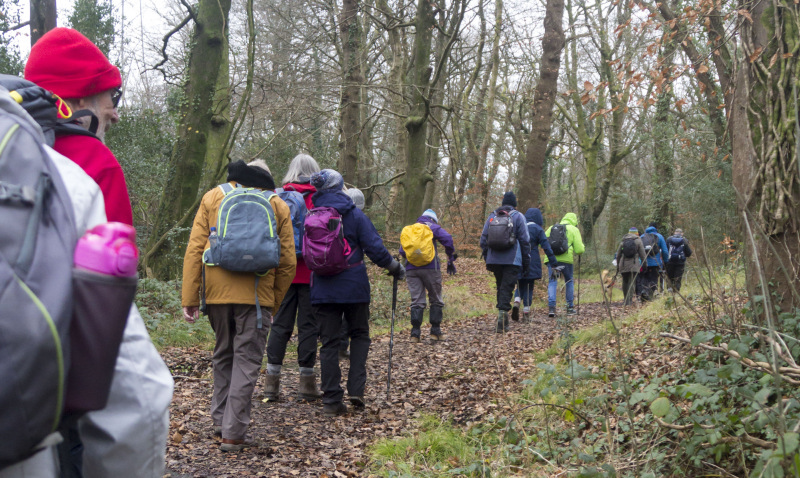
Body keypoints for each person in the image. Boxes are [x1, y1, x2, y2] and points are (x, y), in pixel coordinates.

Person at [24, 28, 173, 477]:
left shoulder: (14, 152)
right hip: (59, 395)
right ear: (77, 100)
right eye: (111, 97)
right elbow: (108, 305)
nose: (115, 111)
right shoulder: (91, 161)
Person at [182, 160, 296, 451]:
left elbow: (196, 248)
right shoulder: (276, 203)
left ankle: (220, 422)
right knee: (246, 361)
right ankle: (233, 434)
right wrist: (274, 301)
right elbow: (287, 262)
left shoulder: (213, 196)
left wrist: (191, 296)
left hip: (216, 292)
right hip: (256, 296)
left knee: (223, 354)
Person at [306, 170, 405, 417]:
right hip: (354, 286)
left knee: (328, 343)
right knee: (360, 335)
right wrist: (395, 267)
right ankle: (356, 390)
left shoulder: (311, 215)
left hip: (322, 287)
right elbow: (375, 248)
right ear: (340, 188)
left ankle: (331, 400)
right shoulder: (355, 215)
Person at [264, 153, 322, 402]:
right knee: (308, 326)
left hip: (282, 270)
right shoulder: (319, 197)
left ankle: (271, 384)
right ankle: (306, 385)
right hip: (311, 271)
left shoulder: (277, 196)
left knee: (280, 326)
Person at [399, 209, 457, 342]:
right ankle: (435, 332)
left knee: (417, 301)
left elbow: (402, 251)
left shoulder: (410, 230)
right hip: (431, 268)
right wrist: (450, 254)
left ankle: (415, 334)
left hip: (411, 269)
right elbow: (448, 238)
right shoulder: (432, 227)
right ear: (433, 219)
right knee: (435, 298)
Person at [480, 192, 531, 333]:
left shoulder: (492, 216)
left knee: (500, 286)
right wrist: (526, 262)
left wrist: (487, 257)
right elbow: (525, 241)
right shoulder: (518, 217)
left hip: (494, 259)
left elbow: (483, 240)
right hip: (512, 259)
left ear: (503, 203)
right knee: (507, 287)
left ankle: (502, 317)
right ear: (514, 204)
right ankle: (502, 318)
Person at [512, 208, 558, 323]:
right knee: (529, 286)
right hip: (532, 261)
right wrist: (553, 262)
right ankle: (526, 311)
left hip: (519, 260)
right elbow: (546, 247)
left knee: (519, 284)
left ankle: (517, 301)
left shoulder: (520, 227)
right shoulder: (538, 229)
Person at [337, 187, 367, 359]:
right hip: (352, 272)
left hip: (330, 271)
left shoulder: (331, 215)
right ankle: (344, 346)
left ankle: (338, 346)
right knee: (350, 312)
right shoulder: (358, 218)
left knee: (337, 312)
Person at [544, 212, 585, 316]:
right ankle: (569, 307)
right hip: (566, 260)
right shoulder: (574, 230)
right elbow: (579, 250)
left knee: (553, 281)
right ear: (574, 220)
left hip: (552, 259)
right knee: (569, 281)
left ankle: (552, 308)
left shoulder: (552, 227)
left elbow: (542, 241)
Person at [615, 227, 647, 306]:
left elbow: (618, 255)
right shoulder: (638, 241)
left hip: (623, 265)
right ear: (636, 233)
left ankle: (625, 300)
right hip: (634, 265)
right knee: (632, 283)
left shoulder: (623, 240)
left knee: (625, 282)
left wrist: (618, 266)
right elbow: (643, 255)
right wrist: (645, 265)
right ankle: (629, 301)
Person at [638, 222, 669, 301]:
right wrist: (666, 261)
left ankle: (644, 292)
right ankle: (649, 297)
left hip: (644, 262)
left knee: (645, 278)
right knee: (653, 279)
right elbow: (665, 251)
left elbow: (638, 251)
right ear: (656, 228)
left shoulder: (642, 237)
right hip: (655, 262)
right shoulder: (660, 237)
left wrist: (639, 262)